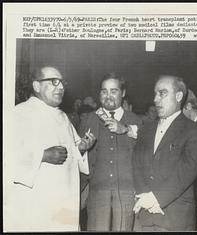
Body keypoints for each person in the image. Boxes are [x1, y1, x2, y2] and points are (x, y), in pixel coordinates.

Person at [5, 66, 96, 232]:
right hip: (35, 203)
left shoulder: (62, 117)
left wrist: (81, 149)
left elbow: (72, 156)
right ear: (37, 86)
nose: (60, 87)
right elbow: (7, 156)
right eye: (54, 82)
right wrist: (42, 155)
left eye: (62, 82)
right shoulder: (18, 114)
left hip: (65, 202)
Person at [132, 75, 197, 231]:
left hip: (175, 218)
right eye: (155, 94)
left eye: (162, 93)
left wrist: (156, 199)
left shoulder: (194, 131)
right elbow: (136, 165)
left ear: (179, 96)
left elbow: (187, 171)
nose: (156, 99)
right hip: (144, 215)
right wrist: (145, 197)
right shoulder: (146, 130)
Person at [79, 72, 142, 231]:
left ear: (123, 93)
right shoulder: (88, 120)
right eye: (104, 91)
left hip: (127, 193)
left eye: (113, 91)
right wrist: (82, 149)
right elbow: (77, 159)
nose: (108, 96)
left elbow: (146, 153)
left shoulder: (136, 121)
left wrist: (126, 129)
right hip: (97, 193)